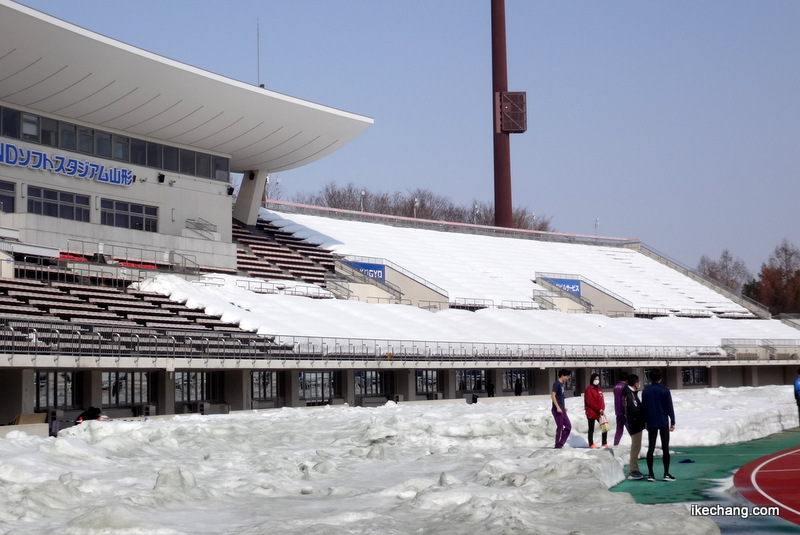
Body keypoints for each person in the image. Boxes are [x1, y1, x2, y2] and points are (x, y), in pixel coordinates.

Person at [642, 369, 676, 482]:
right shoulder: (665, 390)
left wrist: (645, 421)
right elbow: (669, 407)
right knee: (665, 448)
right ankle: (666, 473)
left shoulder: (646, 391)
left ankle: (651, 474)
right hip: (663, 421)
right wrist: (673, 421)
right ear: (660, 378)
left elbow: (644, 408)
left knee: (651, 448)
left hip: (651, 421)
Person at [623, 374, 646, 480]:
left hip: (636, 422)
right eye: (638, 382)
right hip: (634, 423)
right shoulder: (629, 394)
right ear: (635, 383)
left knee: (637, 446)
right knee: (635, 447)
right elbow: (634, 409)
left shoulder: (633, 393)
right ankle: (633, 470)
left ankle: (635, 468)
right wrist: (643, 414)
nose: (639, 383)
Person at [584, 373, 608, 448]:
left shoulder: (599, 389)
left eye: (598, 379)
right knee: (591, 428)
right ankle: (591, 443)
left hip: (600, 412)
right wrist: (598, 408)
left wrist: (602, 408)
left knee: (604, 427)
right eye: (595, 379)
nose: (597, 381)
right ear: (592, 379)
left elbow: (601, 400)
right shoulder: (589, 389)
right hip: (591, 412)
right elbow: (590, 402)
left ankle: (604, 442)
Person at [551, 369, 572, 449]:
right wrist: (558, 407)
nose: (568, 378)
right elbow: (553, 395)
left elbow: (560, 398)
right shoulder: (557, 384)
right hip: (557, 410)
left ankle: (560, 443)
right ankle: (557, 445)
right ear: (563, 375)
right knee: (560, 427)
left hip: (562, 409)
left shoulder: (562, 385)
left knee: (568, 427)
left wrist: (563, 407)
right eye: (567, 376)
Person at [613, 372, 629, 446]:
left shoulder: (616, 387)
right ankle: (636, 444)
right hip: (624, 411)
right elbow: (624, 400)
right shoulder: (625, 387)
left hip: (618, 410)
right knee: (630, 429)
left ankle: (616, 444)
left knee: (619, 430)